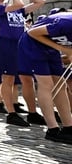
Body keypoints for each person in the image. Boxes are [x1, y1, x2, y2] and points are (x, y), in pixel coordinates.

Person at [0, 0, 46, 126]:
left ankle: (32, 113)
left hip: (20, 45)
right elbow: (19, 3)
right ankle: (11, 113)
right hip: (6, 45)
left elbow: (40, 2)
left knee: (27, 79)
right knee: (8, 79)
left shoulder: (17, 10)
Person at [25, 10, 72, 143]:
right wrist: (64, 50)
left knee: (60, 85)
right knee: (46, 84)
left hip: (52, 46)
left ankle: (68, 127)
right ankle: (52, 129)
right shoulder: (66, 23)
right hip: (33, 43)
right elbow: (32, 32)